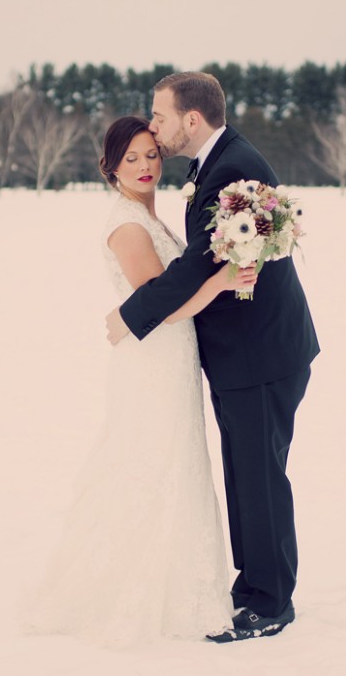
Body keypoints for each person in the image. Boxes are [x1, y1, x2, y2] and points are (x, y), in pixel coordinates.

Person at [25, 116, 257, 646]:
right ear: (110, 166)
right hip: (151, 363)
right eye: (130, 158)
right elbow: (164, 304)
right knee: (149, 463)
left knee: (173, 463)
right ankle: (127, 590)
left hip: (171, 360)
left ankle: (175, 580)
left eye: (151, 154)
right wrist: (222, 282)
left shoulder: (150, 216)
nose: (145, 165)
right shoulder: (128, 225)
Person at [106, 73, 320, 643]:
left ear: (191, 119)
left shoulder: (230, 166)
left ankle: (271, 600)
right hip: (243, 355)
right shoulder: (220, 161)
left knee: (259, 475)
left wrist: (129, 317)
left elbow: (200, 265)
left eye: (160, 116)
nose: (155, 125)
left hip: (262, 353)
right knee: (245, 472)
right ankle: (252, 587)